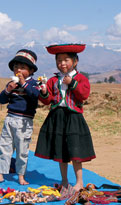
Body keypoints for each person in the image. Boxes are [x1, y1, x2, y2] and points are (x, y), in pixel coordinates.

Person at [35, 44, 96, 192]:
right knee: (60, 151)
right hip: (57, 117)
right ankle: (64, 181)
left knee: (75, 151)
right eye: (59, 60)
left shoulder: (81, 78)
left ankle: (80, 182)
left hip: (74, 118)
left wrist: (72, 83)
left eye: (66, 60)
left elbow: (83, 95)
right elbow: (47, 100)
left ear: (75, 61)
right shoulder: (52, 80)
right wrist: (43, 91)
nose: (62, 63)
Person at [0, 49, 40, 185]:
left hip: (24, 122)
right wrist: (8, 90)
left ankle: (21, 176)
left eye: (23, 67)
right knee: (4, 147)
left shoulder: (33, 84)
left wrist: (24, 83)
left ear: (31, 70)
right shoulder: (12, 83)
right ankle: (0, 174)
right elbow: (2, 100)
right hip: (9, 119)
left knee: (22, 150)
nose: (18, 70)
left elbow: (34, 96)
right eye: (16, 67)